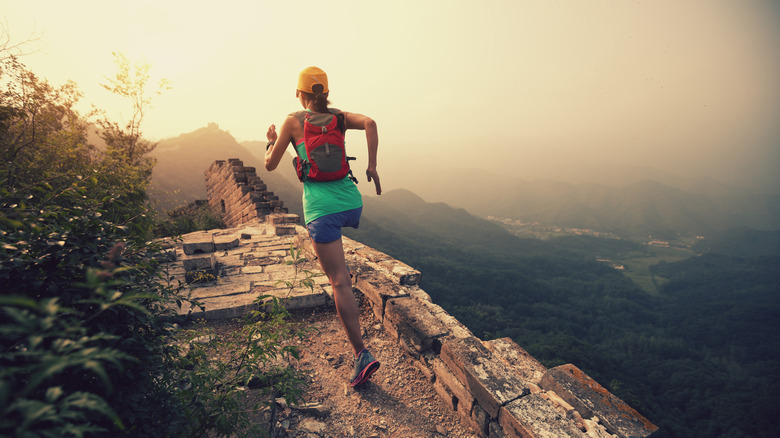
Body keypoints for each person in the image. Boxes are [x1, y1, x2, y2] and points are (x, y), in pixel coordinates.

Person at [264, 66, 381, 387]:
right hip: (351, 202)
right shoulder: (339, 118)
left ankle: (362, 354)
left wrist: (272, 142)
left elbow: (270, 164)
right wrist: (371, 165)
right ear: (325, 93)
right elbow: (370, 122)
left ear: (300, 93)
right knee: (341, 268)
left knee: (339, 282)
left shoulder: (291, 122)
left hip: (322, 210)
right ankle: (360, 347)